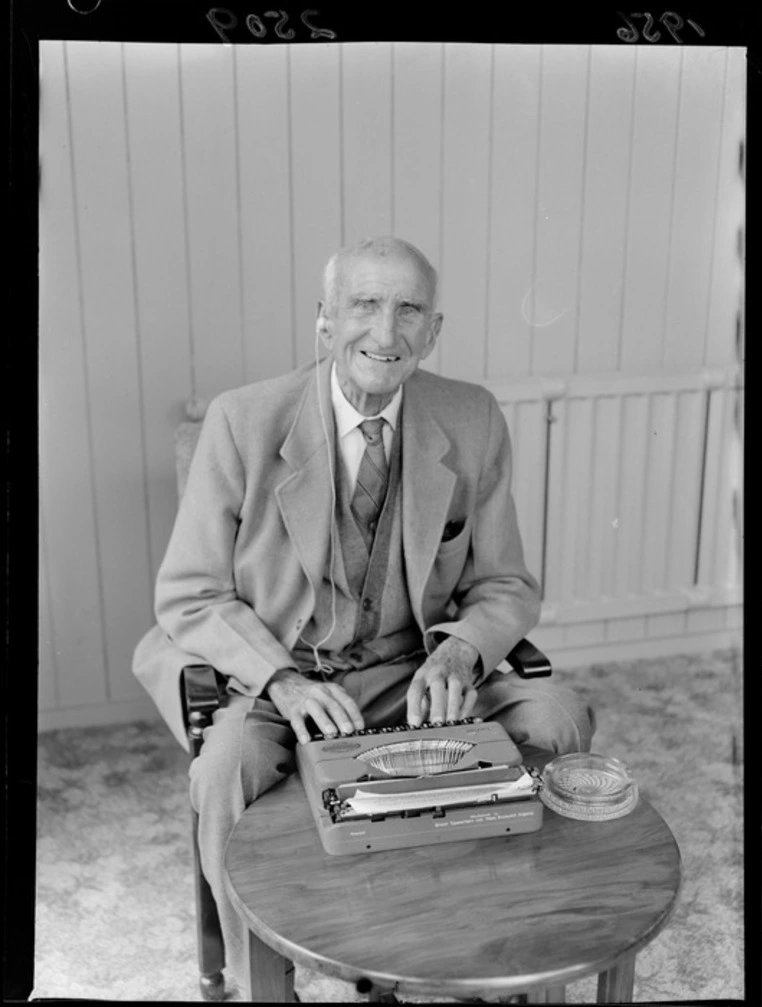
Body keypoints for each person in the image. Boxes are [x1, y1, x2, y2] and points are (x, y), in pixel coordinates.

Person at [132, 235, 595, 989]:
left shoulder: (470, 417)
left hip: (419, 671)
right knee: (227, 771)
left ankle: (509, 940)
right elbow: (190, 591)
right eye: (365, 306)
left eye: (409, 309)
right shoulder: (242, 421)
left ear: (433, 330)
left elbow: (506, 583)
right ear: (324, 321)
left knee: (557, 718)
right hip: (290, 678)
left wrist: (459, 653)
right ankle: (265, 976)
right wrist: (280, 680)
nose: (386, 333)